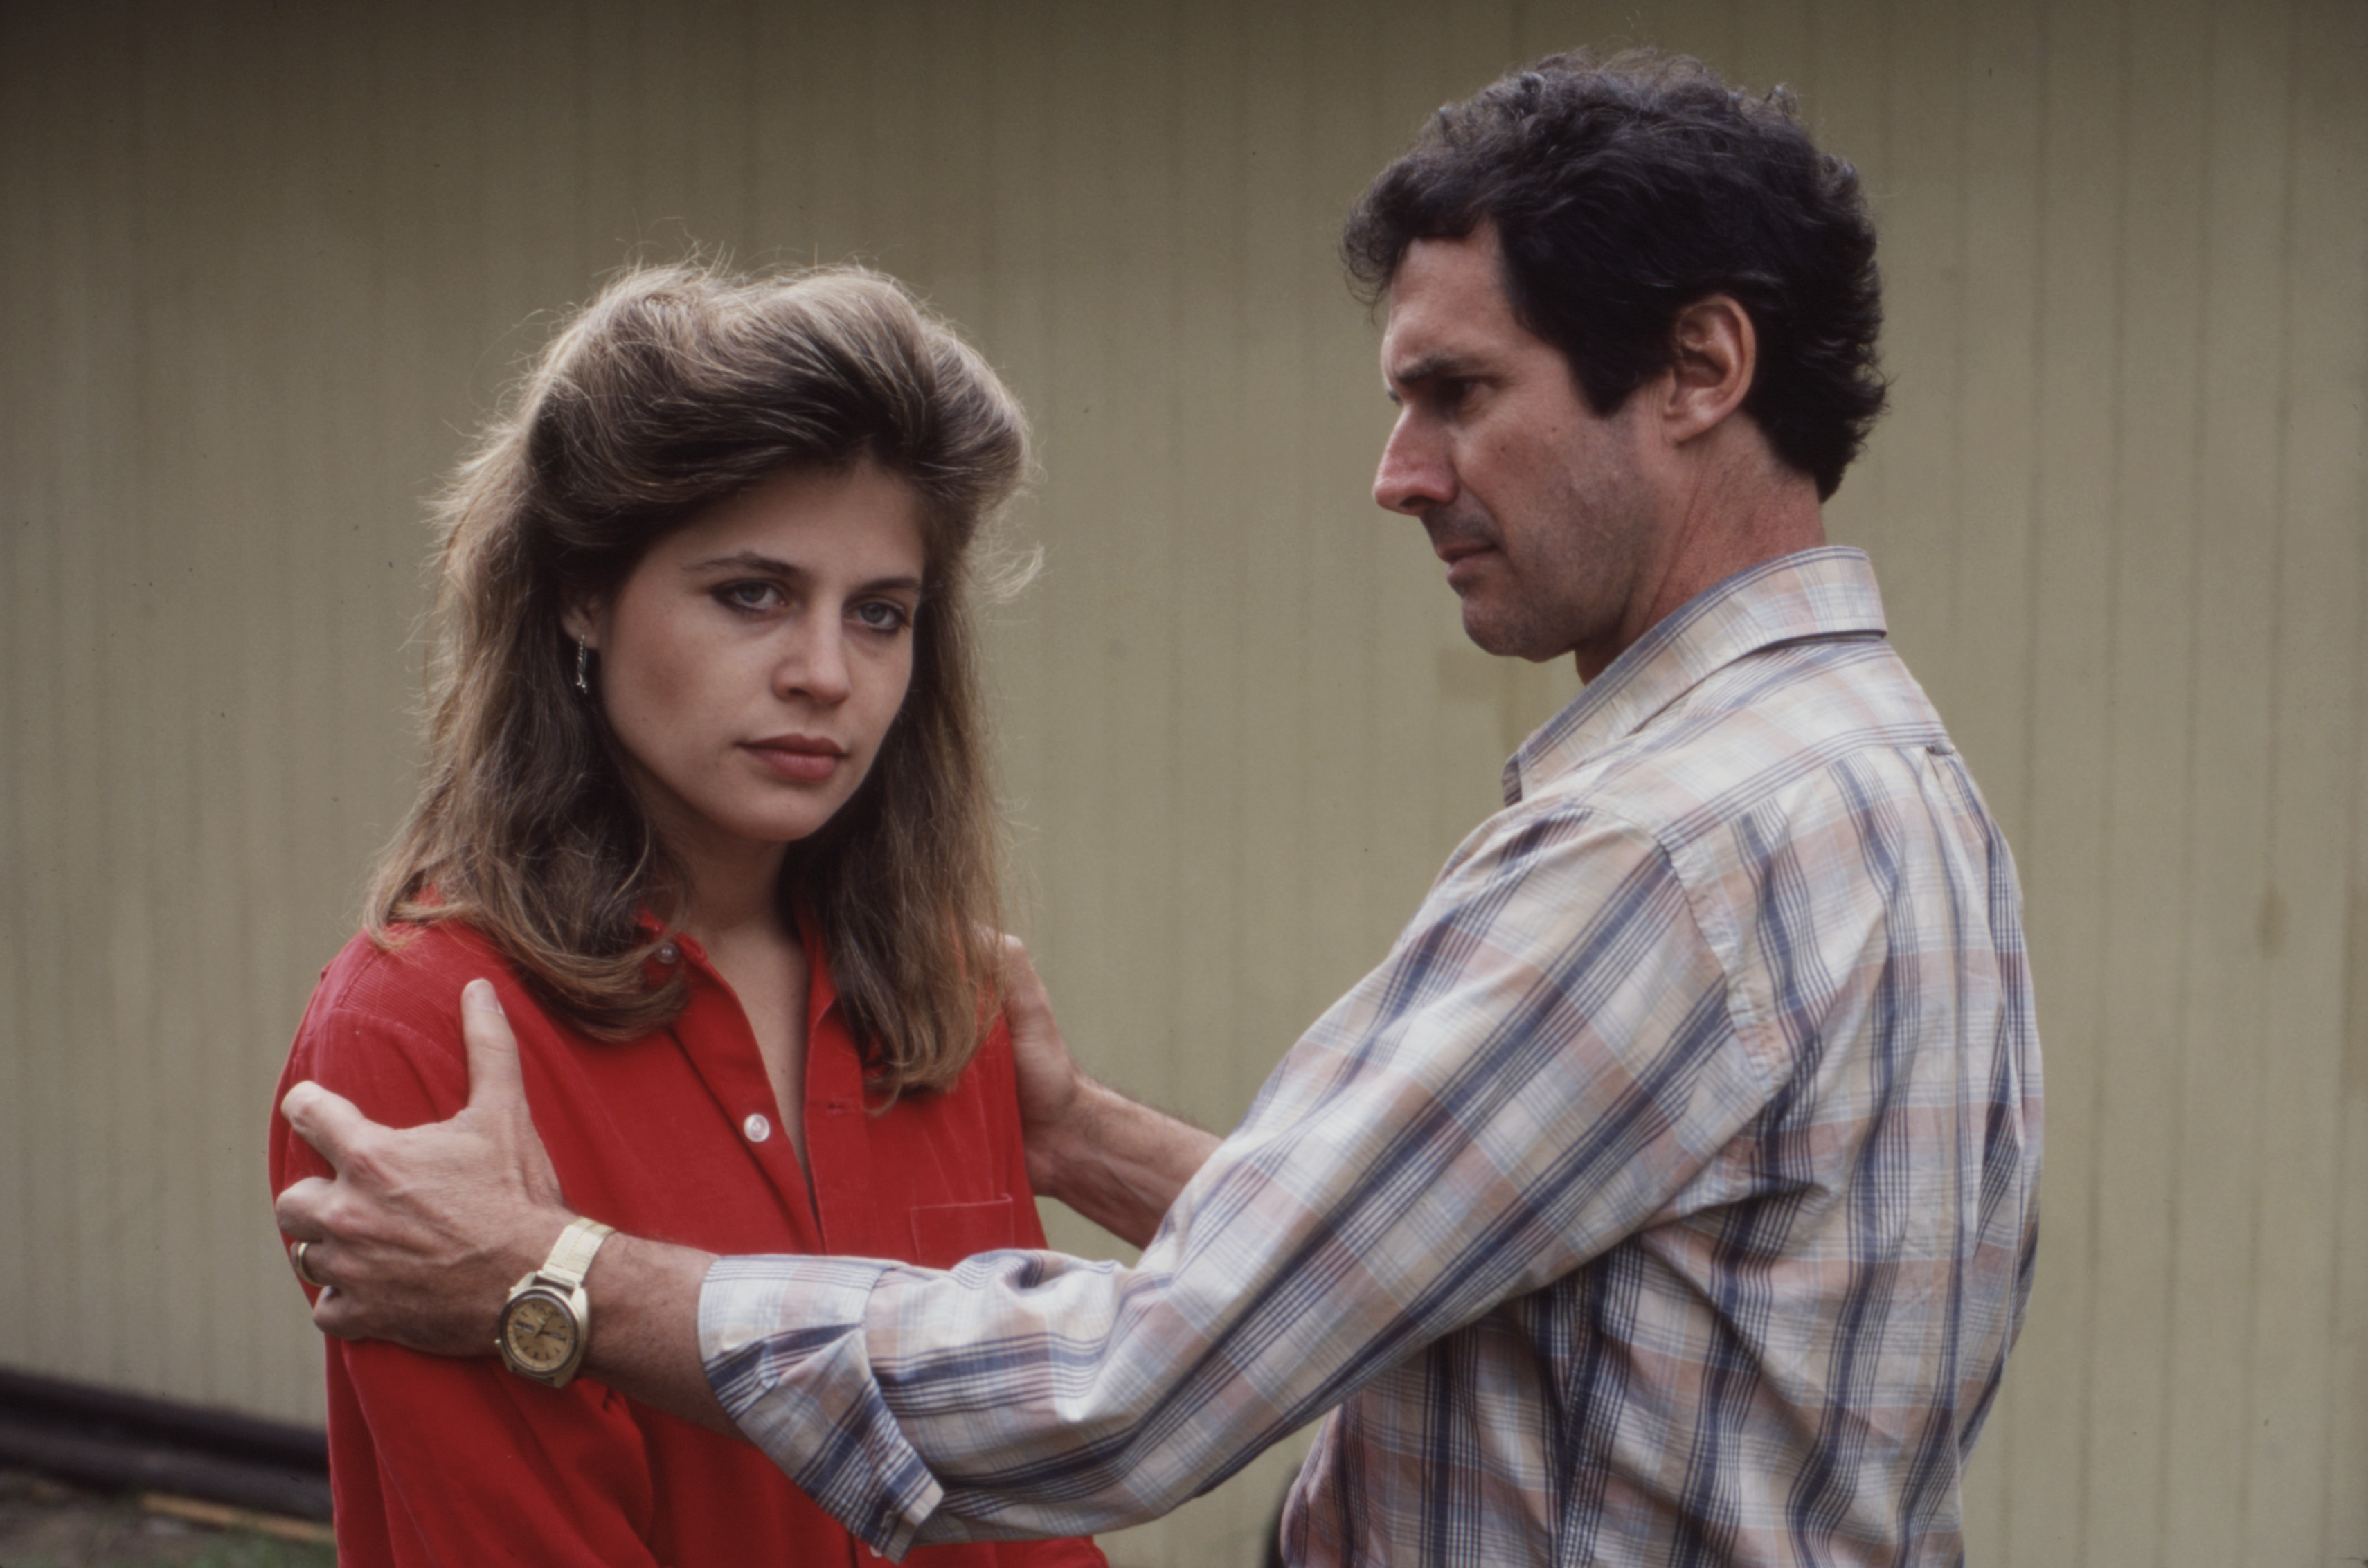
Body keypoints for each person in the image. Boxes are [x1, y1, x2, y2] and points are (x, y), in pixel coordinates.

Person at [276, 50, 2043, 1567]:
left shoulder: (1668, 850)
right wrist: (1078, 1136)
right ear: (581, 598)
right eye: (751, 592)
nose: (1398, 473)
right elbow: (1442, 1272)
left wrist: (553, 1276)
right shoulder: (1894, 787)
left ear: (1701, 368)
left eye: (1458, 392)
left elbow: (1142, 1388)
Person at [266, 262, 1105, 1568]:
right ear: (581, 593)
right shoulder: (423, 1030)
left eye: (880, 614)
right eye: (751, 594)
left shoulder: (942, 997)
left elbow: (1028, 1499)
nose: (827, 674)